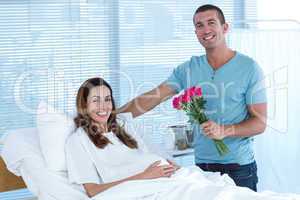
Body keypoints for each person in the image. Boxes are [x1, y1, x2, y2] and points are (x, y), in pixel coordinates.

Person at [117, 4, 267, 192]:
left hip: (238, 168)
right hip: (201, 167)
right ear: (195, 32)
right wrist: (113, 116)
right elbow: (153, 97)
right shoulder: (188, 69)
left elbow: (259, 123)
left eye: (211, 23)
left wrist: (225, 130)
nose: (205, 30)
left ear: (225, 27)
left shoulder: (249, 68)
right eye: (199, 25)